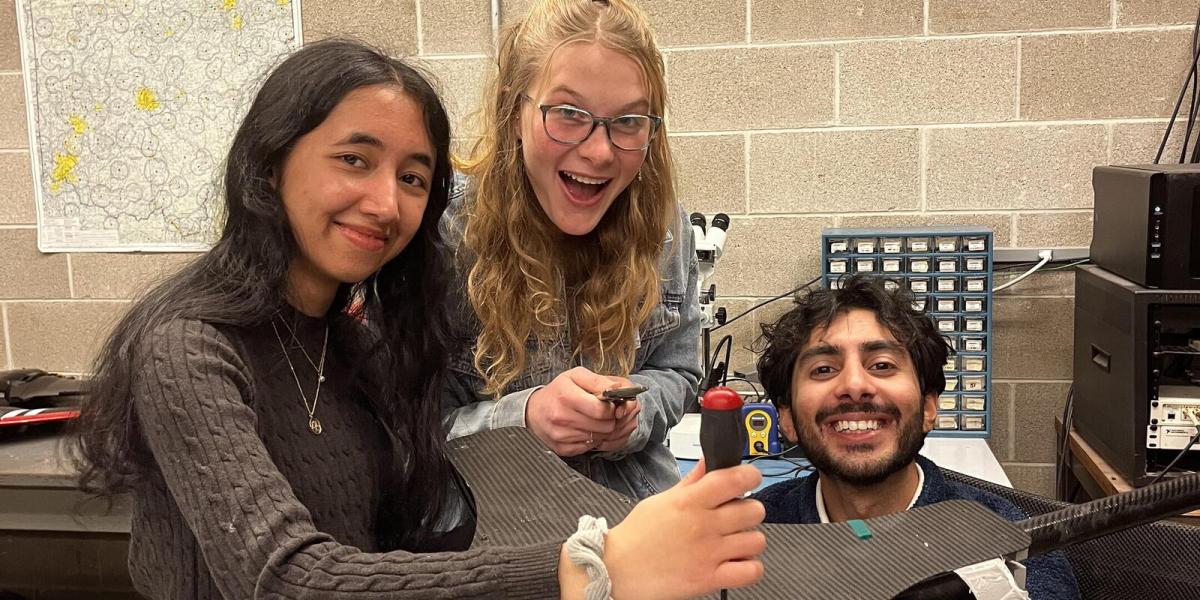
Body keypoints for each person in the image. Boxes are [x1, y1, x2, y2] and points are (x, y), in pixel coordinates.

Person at [70, 39, 765, 599]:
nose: (384, 203)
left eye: (411, 178)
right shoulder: (188, 349)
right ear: (270, 162)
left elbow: (396, 540)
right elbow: (287, 580)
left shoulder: (345, 342)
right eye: (354, 160)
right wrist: (590, 563)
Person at [443, 0, 699, 500]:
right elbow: (403, 430)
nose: (600, 151)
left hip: (634, 508)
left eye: (628, 122)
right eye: (567, 113)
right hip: (491, 523)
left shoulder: (663, 227)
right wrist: (523, 419)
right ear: (512, 113)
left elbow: (679, 371)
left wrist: (636, 415)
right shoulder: (446, 233)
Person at [751, 274, 1080, 599]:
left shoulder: (1019, 548)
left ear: (927, 408)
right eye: (823, 369)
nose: (853, 385)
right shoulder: (747, 538)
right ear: (788, 418)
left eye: (881, 365)